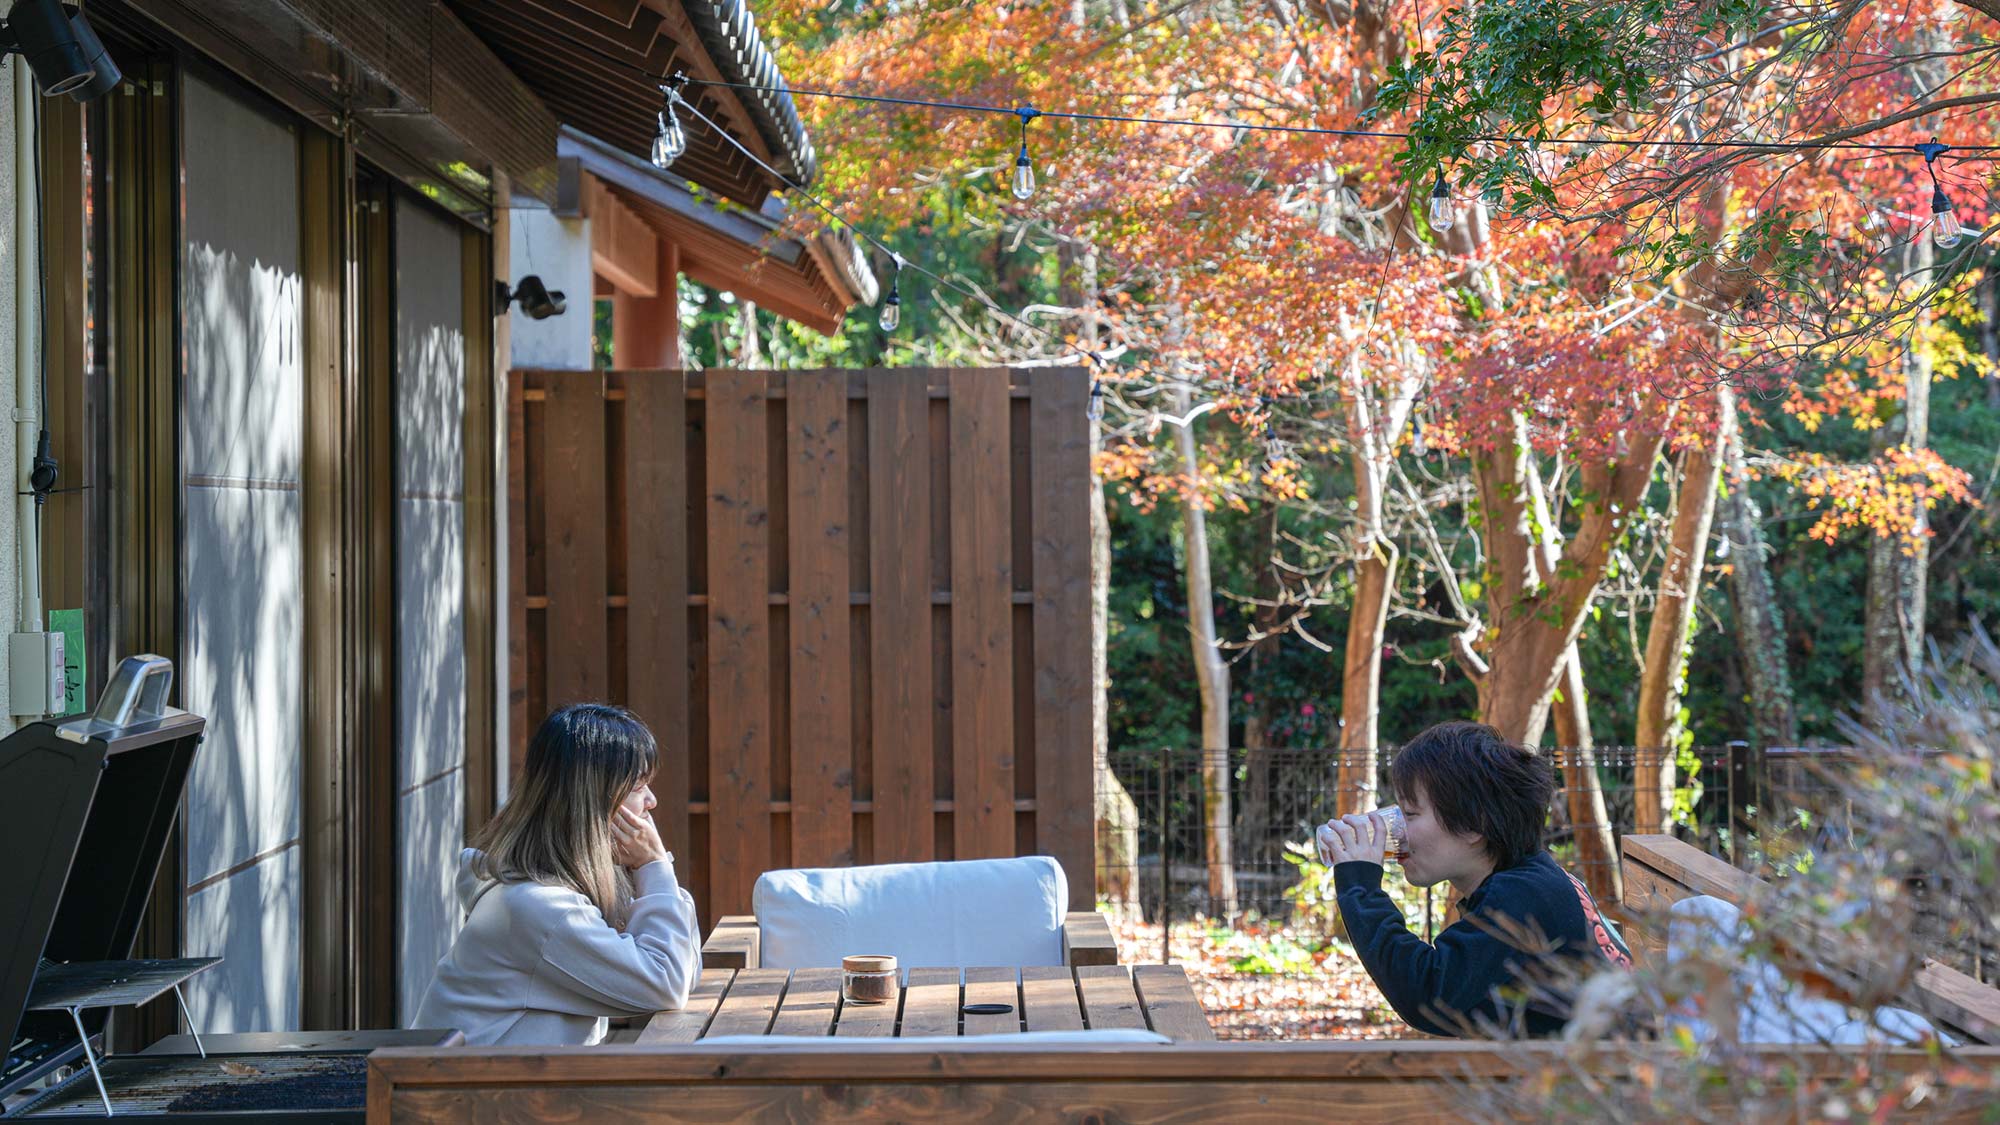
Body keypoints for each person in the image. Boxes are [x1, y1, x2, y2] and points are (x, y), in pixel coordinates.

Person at [1319, 721, 1630, 1038]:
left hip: (1610, 1082)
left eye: (1410, 814)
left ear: (1473, 825)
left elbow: (1429, 998)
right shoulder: (1533, 883)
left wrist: (1360, 887)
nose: (1396, 828)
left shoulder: (1523, 896)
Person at [415, 703, 702, 1045]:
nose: (652, 801)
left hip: (491, 1089)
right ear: (594, 800)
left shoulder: (561, 889)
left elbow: (681, 972)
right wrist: (654, 867)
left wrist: (652, 871)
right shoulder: (539, 907)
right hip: (465, 1095)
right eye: (639, 787)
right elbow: (666, 984)